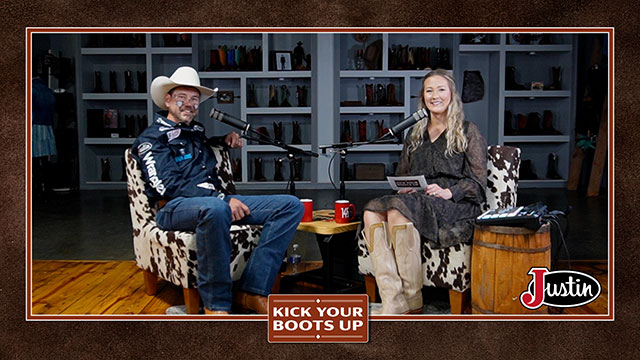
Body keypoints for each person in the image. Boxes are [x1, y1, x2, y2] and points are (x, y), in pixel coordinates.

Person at [131, 66, 304, 315]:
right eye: (182, 98)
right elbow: (166, 186)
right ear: (168, 100)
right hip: (174, 207)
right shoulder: (152, 139)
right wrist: (220, 198)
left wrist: (224, 140)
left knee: (290, 206)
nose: (189, 104)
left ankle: (253, 291)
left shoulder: (196, 131)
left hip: (214, 201)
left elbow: (193, 153)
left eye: (194, 99)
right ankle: (216, 303)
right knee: (216, 208)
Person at [362, 69, 487, 314]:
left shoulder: (467, 131)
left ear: (452, 94)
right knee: (370, 212)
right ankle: (393, 299)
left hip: (454, 202)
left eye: (441, 89)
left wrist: (449, 191)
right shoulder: (415, 133)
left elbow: (478, 183)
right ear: (423, 97)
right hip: (417, 199)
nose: (435, 95)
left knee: (398, 212)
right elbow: (403, 174)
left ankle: (412, 300)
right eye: (429, 90)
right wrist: (405, 187)